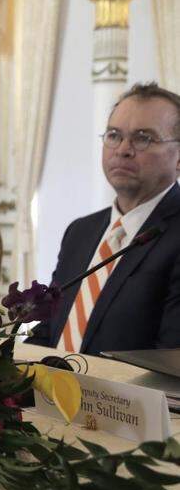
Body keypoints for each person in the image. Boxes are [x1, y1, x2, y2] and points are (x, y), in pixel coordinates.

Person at [29, 82, 180, 354]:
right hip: (51, 392)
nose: (123, 149)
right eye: (114, 135)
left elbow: (170, 360)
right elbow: (47, 330)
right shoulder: (80, 231)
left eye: (143, 138)